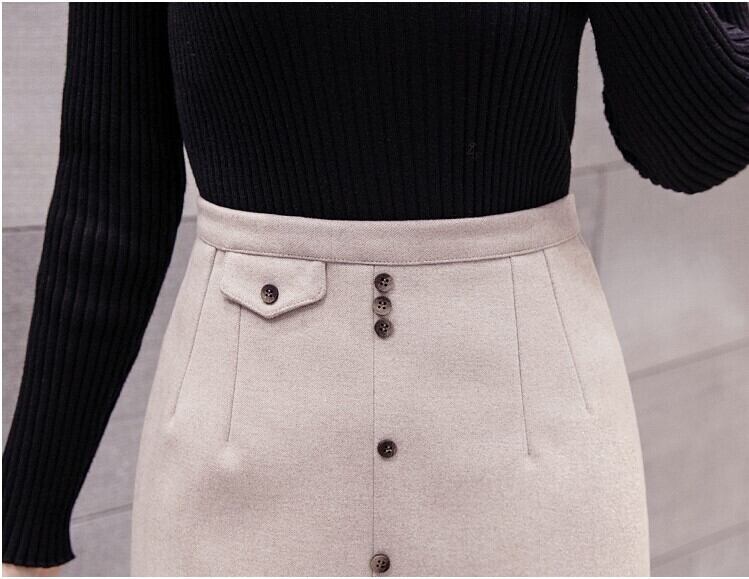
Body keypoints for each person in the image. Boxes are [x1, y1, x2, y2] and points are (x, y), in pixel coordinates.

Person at [3, 3, 748, 576]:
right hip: (237, 475)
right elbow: (111, 192)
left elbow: (692, 137)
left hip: (530, 465)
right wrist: (25, 525)